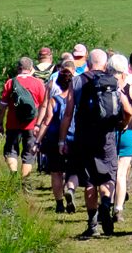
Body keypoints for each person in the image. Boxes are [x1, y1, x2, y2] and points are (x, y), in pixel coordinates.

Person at [67, 49, 124, 239]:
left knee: (90, 181)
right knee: (108, 175)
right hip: (107, 137)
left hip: (84, 137)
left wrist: (62, 138)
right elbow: (129, 110)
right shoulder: (112, 81)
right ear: (105, 63)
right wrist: (122, 125)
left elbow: (68, 113)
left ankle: (92, 224)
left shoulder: (77, 81)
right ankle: (106, 204)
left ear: (88, 62)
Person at [0, 57, 47, 176]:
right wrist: (39, 124)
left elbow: (3, 106)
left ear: (18, 68)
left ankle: (13, 174)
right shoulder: (38, 83)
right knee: (29, 154)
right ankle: (24, 181)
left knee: (11, 151)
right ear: (31, 69)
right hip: (31, 125)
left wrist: (0, 123)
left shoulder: (10, 82)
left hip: (12, 124)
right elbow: (43, 106)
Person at [42, 65, 78, 213]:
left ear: (58, 84)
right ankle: (70, 188)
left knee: (56, 172)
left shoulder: (53, 100)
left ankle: (59, 204)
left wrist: (38, 140)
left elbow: (47, 121)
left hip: (54, 138)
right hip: (73, 137)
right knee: (74, 170)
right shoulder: (76, 100)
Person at [109, 54, 132, 220]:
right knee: (121, 173)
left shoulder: (104, 87)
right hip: (127, 133)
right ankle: (119, 208)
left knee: (108, 173)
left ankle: (106, 203)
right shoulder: (131, 89)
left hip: (108, 132)